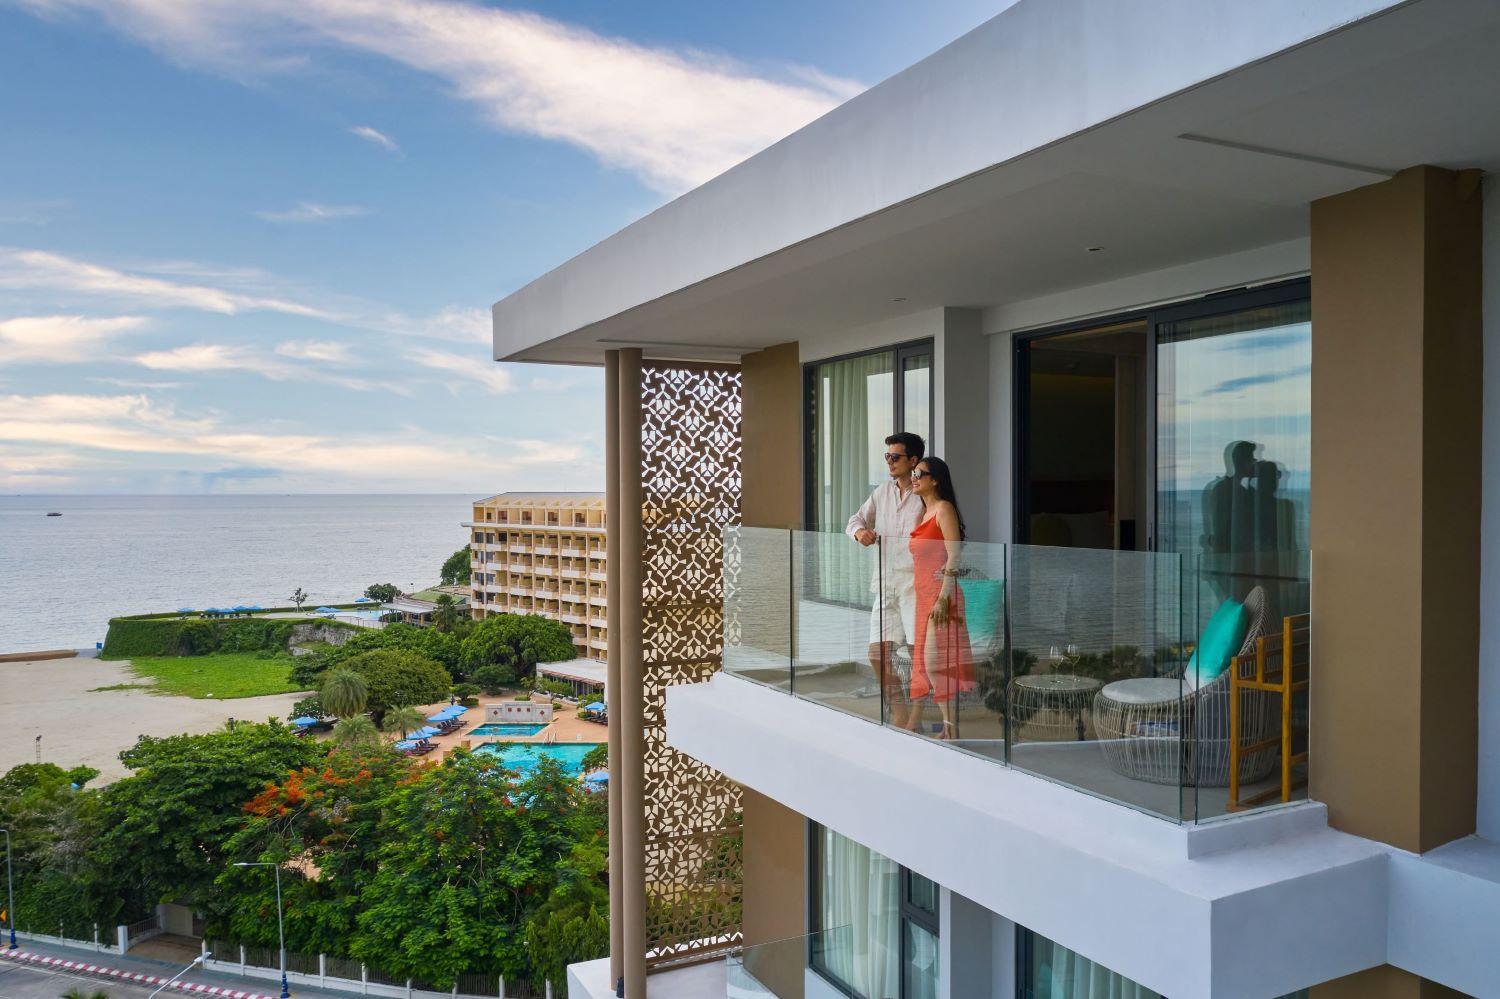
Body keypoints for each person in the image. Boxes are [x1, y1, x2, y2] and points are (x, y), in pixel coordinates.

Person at [846, 431, 927, 727]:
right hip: (884, 583)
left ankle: (915, 718)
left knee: (918, 656)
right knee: (877, 654)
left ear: (913, 460)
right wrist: (860, 533)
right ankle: (899, 709)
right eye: (887, 456)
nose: (890, 462)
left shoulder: (925, 495)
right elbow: (854, 520)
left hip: (915, 586)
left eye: (895, 456)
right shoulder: (881, 493)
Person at [906, 457, 975, 739]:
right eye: (913, 473)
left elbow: (954, 554)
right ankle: (949, 729)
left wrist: (944, 596)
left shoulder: (944, 509)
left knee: (936, 662)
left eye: (919, 473)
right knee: (928, 663)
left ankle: (951, 729)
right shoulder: (923, 513)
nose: (913, 477)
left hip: (942, 595)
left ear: (934, 480)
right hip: (924, 596)